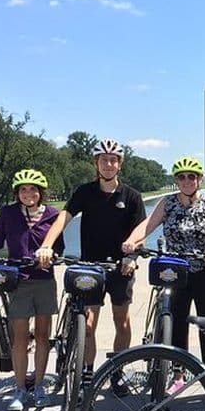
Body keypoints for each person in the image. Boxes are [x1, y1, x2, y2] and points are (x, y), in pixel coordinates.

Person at [37, 138, 146, 396]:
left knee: (123, 321)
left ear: (120, 164)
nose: (108, 164)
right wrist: (46, 244)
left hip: (121, 266)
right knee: (88, 324)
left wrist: (132, 257)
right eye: (103, 160)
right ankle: (87, 371)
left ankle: (117, 371)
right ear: (96, 163)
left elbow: (140, 230)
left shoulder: (131, 196)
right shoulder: (85, 192)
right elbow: (64, 218)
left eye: (113, 160)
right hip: (90, 266)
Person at [0, 169, 64, 411]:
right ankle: (20, 388)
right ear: (17, 192)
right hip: (18, 280)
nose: (29, 193)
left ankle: (38, 385)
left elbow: (59, 246)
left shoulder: (52, 215)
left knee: (41, 336)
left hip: (44, 279)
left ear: (41, 193)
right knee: (19, 338)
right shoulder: (7, 213)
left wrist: (51, 254)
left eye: (34, 189)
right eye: (24, 189)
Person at [121, 157, 205, 384]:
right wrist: (132, 240)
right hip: (176, 272)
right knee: (177, 322)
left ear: (199, 179)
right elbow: (148, 225)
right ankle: (178, 374)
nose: (187, 180)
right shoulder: (167, 203)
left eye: (192, 176)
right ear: (176, 181)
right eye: (182, 177)